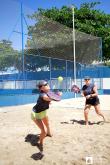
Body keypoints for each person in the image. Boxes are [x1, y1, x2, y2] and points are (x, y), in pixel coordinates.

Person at [31, 80, 52, 153]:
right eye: (46, 84)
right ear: (42, 88)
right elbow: (46, 98)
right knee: (43, 131)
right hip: (36, 114)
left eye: (47, 84)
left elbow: (48, 100)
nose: (48, 85)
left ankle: (48, 133)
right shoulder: (42, 95)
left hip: (43, 112)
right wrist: (57, 96)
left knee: (48, 125)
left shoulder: (47, 93)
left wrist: (49, 101)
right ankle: (41, 142)